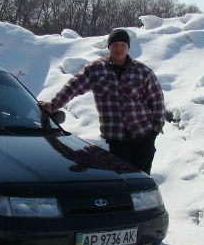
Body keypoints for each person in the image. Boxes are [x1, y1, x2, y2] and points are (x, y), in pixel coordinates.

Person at [39, 28, 165, 174]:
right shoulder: (95, 70)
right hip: (116, 139)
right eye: (115, 45)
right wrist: (53, 105)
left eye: (123, 45)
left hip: (143, 136)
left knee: (142, 181)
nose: (119, 49)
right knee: (122, 180)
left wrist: (154, 131)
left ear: (128, 48)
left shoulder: (143, 71)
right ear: (109, 46)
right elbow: (72, 87)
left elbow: (157, 100)